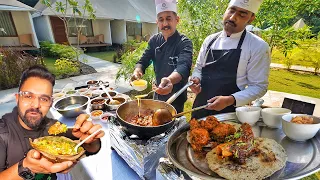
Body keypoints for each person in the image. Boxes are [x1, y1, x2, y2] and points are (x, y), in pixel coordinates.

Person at [0, 65, 104, 180]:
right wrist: (26, 168)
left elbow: (89, 149)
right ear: (17, 98)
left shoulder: (51, 127)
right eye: (28, 96)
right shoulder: (3, 134)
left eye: (44, 99)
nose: (35, 105)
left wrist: (91, 141)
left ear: (50, 103)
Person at [190, 0, 271, 119]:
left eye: (242, 14)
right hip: (200, 109)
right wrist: (196, 79)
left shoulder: (258, 46)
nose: (233, 18)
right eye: (231, 10)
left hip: (229, 115)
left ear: (251, 18)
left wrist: (229, 100)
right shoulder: (209, 40)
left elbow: (259, 87)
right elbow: (198, 68)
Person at [131, 0, 193, 113]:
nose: (165, 24)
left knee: (174, 127)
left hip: (176, 97)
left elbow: (184, 66)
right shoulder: (154, 40)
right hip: (158, 95)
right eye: (161, 20)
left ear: (177, 20)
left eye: (168, 19)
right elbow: (144, 60)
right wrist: (138, 70)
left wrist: (169, 80)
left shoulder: (184, 42)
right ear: (157, 22)